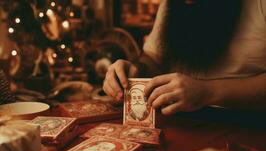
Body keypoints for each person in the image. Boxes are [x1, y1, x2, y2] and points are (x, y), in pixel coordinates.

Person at [103, 0, 266, 115]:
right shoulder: (170, 4)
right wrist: (136, 70)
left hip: (248, 127)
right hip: (179, 121)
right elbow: (153, 58)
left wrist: (208, 91)